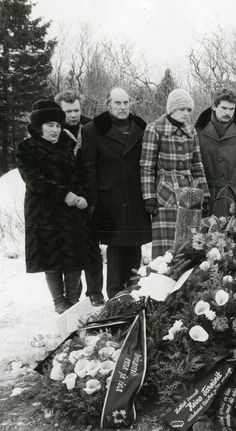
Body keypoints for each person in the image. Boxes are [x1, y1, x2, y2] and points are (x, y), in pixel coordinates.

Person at [16, 100, 90, 314]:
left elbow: (77, 175)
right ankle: (59, 303)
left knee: (75, 257)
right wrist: (64, 193)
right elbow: (33, 179)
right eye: (50, 125)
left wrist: (82, 196)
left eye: (58, 125)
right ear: (39, 127)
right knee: (52, 258)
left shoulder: (66, 145)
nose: (55, 130)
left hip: (71, 210)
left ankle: (72, 300)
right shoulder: (26, 148)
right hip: (43, 212)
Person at [79, 87, 152, 300]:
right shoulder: (93, 130)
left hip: (135, 197)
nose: (122, 107)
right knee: (116, 247)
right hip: (109, 200)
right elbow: (89, 168)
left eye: (126, 103)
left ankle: (132, 292)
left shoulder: (141, 128)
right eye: (118, 103)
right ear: (108, 105)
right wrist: (93, 202)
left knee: (135, 246)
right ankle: (114, 296)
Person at [141, 89, 208, 258]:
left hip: (189, 192)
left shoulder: (191, 131)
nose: (186, 114)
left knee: (189, 245)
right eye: (182, 109)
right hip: (166, 194)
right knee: (166, 250)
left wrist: (204, 193)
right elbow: (147, 166)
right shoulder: (155, 129)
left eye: (189, 110)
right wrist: (149, 196)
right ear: (172, 109)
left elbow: (197, 165)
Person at [55, 89, 103, 305]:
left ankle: (95, 293)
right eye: (68, 111)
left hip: (89, 194)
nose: (73, 115)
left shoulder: (90, 127)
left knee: (92, 248)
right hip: (65, 198)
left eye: (76, 110)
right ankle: (74, 296)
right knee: (71, 251)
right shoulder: (54, 129)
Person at [195, 88, 236, 217]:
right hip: (207, 196)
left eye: (231, 109)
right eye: (224, 108)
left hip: (235, 196)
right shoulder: (199, 130)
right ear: (214, 107)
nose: (228, 113)